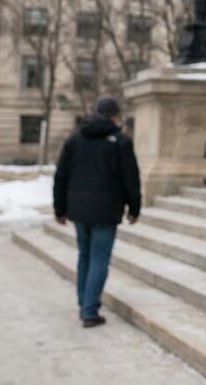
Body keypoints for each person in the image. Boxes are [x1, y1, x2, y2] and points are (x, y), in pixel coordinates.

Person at [53, 95, 141, 328]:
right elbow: (130, 178)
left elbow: (61, 175)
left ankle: (85, 303)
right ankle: (89, 310)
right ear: (114, 116)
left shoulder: (74, 139)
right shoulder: (121, 142)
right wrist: (134, 208)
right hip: (106, 210)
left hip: (79, 210)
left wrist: (59, 208)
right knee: (99, 258)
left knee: (85, 255)